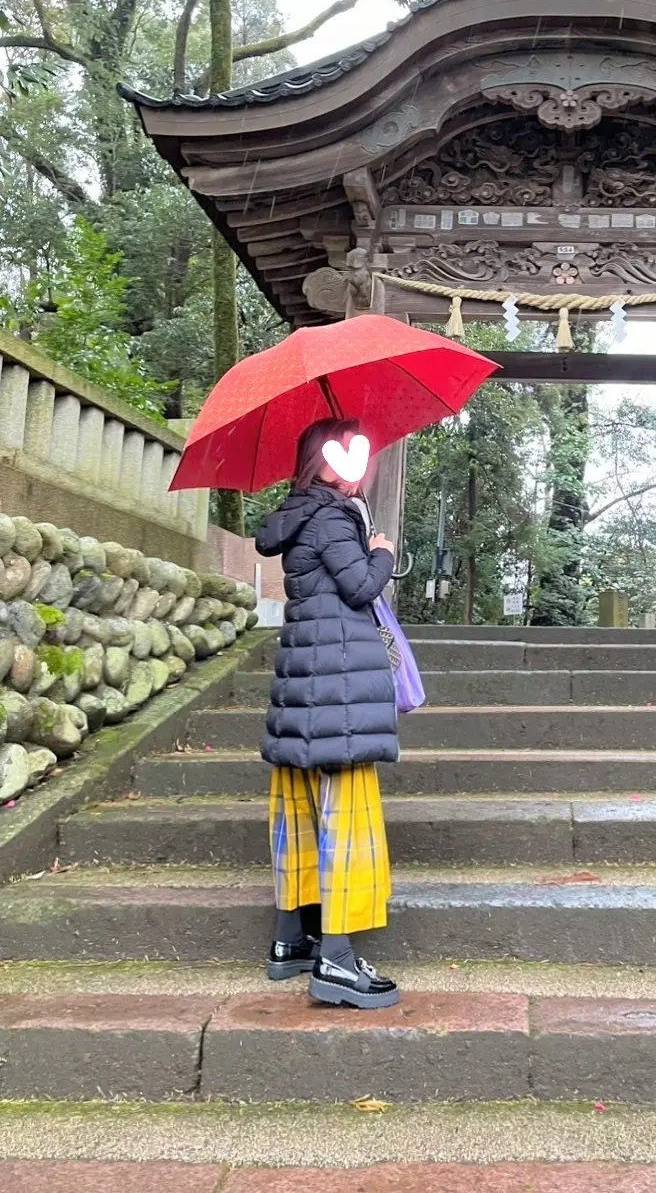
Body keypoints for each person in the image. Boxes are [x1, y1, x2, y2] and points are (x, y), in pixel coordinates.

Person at [254, 416, 400, 1009]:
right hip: (338, 685)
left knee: (297, 809)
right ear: (333, 462)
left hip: (303, 682)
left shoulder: (298, 516)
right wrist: (383, 551)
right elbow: (362, 586)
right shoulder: (334, 516)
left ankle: (294, 939)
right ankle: (337, 961)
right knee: (348, 817)